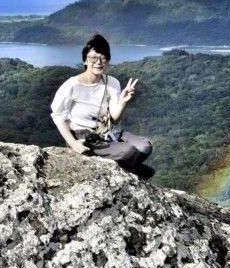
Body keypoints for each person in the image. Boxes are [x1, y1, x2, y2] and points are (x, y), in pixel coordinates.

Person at [50, 34, 153, 177]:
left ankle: (126, 166)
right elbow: (58, 117)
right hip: (85, 136)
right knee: (129, 151)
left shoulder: (112, 83)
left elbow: (114, 119)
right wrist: (73, 143)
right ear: (85, 60)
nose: (98, 62)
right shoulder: (72, 85)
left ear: (108, 61)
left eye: (103, 58)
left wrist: (122, 102)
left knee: (145, 146)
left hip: (107, 133)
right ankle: (131, 169)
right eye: (93, 58)